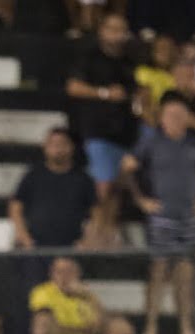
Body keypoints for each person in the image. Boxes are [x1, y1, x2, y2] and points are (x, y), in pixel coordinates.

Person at [120, 95, 195, 334]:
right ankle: (151, 325)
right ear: (162, 118)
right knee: (159, 270)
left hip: (189, 216)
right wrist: (141, 200)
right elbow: (127, 168)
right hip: (162, 215)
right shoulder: (150, 143)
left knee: (185, 272)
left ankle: (185, 326)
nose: (175, 120)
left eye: (180, 116)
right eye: (171, 115)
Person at [65, 13, 139, 245]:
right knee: (103, 186)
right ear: (102, 31)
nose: (116, 35)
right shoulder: (90, 57)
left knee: (116, 189)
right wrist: (105, 93)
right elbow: (73, 87)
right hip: (97, 132)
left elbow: (132, 95)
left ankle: (107, 232)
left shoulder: (129, 62)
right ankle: (93, 235)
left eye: (121, 30)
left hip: (125, 134)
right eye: (112, 29)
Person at [9, 127, 99, 262]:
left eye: (62, 144)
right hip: (36, 250)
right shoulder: (33, 176)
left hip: (71, 250)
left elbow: (97, 213)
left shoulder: (83, 179)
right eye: (53, 144)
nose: (58, 149)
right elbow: (15, 207)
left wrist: (87, 241)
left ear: (71, 147)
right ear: (45, 147)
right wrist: (24, 237)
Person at [27, 256, 103, 334]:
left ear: (78, 273)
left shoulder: (86, 295)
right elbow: (48, 330)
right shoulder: (42, 293)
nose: (64, 276)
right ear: (51, 274)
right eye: (59, 272)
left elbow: (100, 330)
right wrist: (84, 330)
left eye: (69, 272)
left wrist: (90, 298)